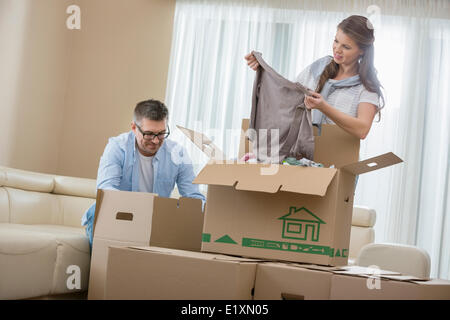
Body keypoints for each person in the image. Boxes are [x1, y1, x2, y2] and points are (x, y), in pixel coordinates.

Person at [81, 99, 205, 247]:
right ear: (134, 128)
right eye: (149, 134)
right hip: (120, 216)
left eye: (161, 134)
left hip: (155, 220)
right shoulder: (117, 147)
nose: (155, 141)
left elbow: (194, 198)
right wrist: (138, 210)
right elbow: (106, 190)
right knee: (98, 210)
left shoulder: (177, 153)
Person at [245, 15, 384, 140]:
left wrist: (324, 107)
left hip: (339, 158)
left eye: (346, 47)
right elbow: (287, 95)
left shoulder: (367, 87)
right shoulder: (319, 68)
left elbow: (362, 130)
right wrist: (263, 70)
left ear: (362, 51)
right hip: (301, 153)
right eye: (336, 41)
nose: (337, 49)